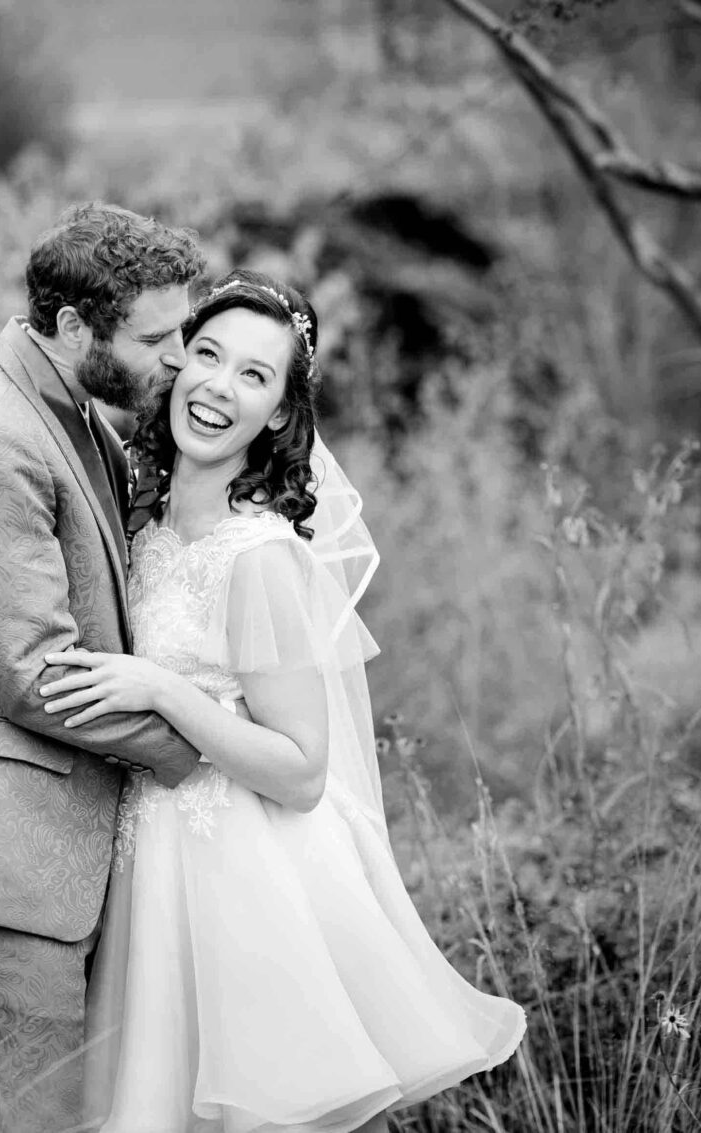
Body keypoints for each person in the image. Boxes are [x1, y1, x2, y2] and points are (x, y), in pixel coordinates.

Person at [41, 269, 527, 1132]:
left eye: (254, 375)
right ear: (178, 363)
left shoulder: (258, 556)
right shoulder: (145, 524)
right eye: (209, 355)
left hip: (241, 875)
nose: (219, 386)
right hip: (151, 867)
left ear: (277, 415)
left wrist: (161, 689)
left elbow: (303, 769)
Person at [0, 201, 210, 1131]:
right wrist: (200, 750)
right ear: (71, 326)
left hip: (49, 865)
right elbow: (35, 672)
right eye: (157, 336)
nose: (179, 354)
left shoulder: (68, 409)